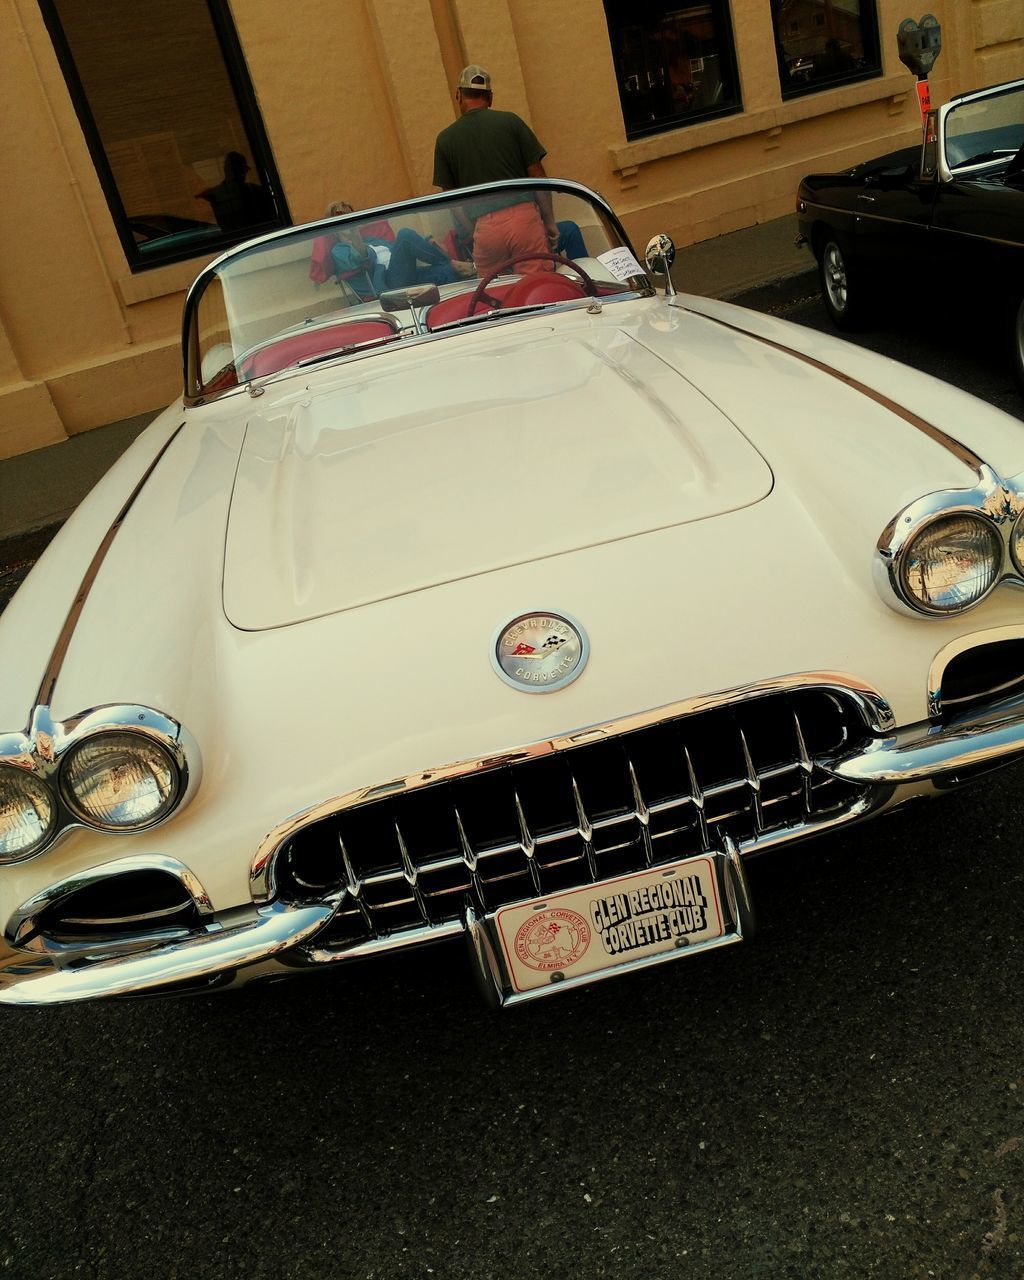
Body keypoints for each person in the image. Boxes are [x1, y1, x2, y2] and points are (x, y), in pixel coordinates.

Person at [433, 65, 560, 276]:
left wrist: (476, 230)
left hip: (485, 226)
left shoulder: (445, 139)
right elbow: (538, 175)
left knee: (492, 296)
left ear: (459, 96)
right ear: (490, 98)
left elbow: (452, 199)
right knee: (537, 286)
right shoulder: (511, 122)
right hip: (524, 219)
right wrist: (549, 221)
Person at [324, 201, 472, 300]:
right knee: (405, 234)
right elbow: (361, 258)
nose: (349, 222)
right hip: (388, 285)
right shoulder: (339, 251)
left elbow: (398, 249)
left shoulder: (371, 240)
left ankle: (452, 267)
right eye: (342, 220)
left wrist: (426, 240)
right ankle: (454, 263)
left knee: (445, 272)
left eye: (351, 217)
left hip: (407, 274)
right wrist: (354, 234)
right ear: (334, 229)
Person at [198, 152, 275, 231]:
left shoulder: (258, 191)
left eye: (238, 169)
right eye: (232, 168)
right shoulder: (212, 195)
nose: (234, 173)